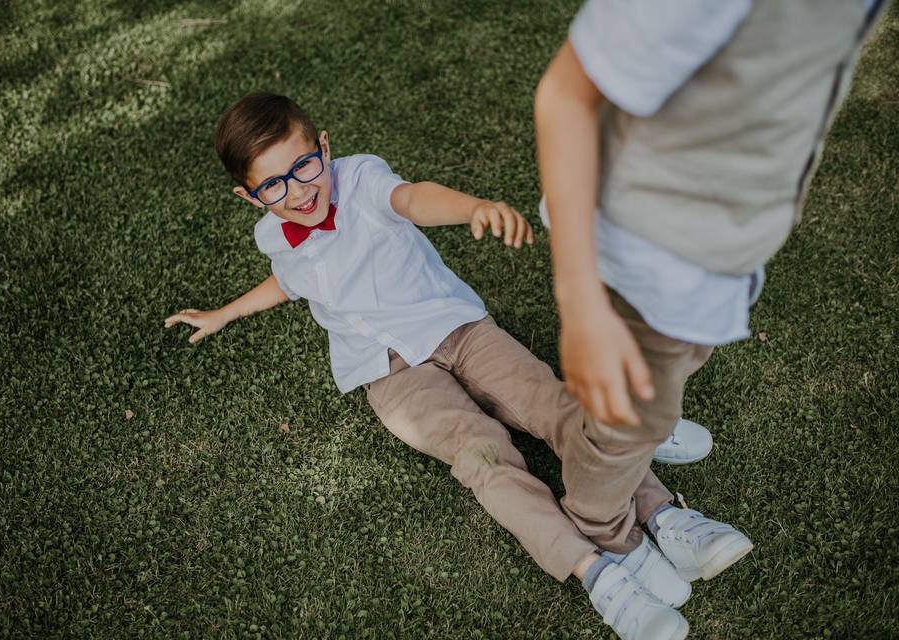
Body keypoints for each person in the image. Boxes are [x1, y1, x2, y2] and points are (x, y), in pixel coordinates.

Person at [165, 93, 697, 640]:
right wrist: (226, 313)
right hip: (388, 375)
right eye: (273, 185)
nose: (298, 190)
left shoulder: (362, 179)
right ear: (249, 196)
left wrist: (472, 208)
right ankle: (599, 575)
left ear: (323, 148)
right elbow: (289, 280)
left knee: (550, 402)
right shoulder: (273, 235)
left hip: (452, 326)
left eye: (303, 166)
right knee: (482, 457)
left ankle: (661, 515)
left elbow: (413, 199)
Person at [534, 1, 886, 637]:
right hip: (643, 262)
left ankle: (639, 441)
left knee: (661, 386)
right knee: (623, 422)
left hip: (712, 261)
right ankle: (602, 523)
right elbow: (566, 94)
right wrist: (581, 303)